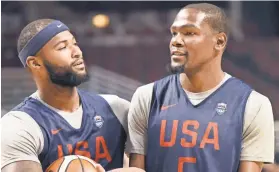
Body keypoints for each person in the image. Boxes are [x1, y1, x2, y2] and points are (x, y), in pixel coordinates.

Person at [127, 3, 274, 172]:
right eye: (174, 33)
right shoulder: (147, 96)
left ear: (219, 41)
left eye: (189, 33)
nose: (176, 41)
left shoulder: (253, 104)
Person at [1, 19, 141, 172]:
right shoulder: (20, 126)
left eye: (75, 44)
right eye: (62, 47)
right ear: (35, 63)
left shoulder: (116, 108)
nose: (77, 53)